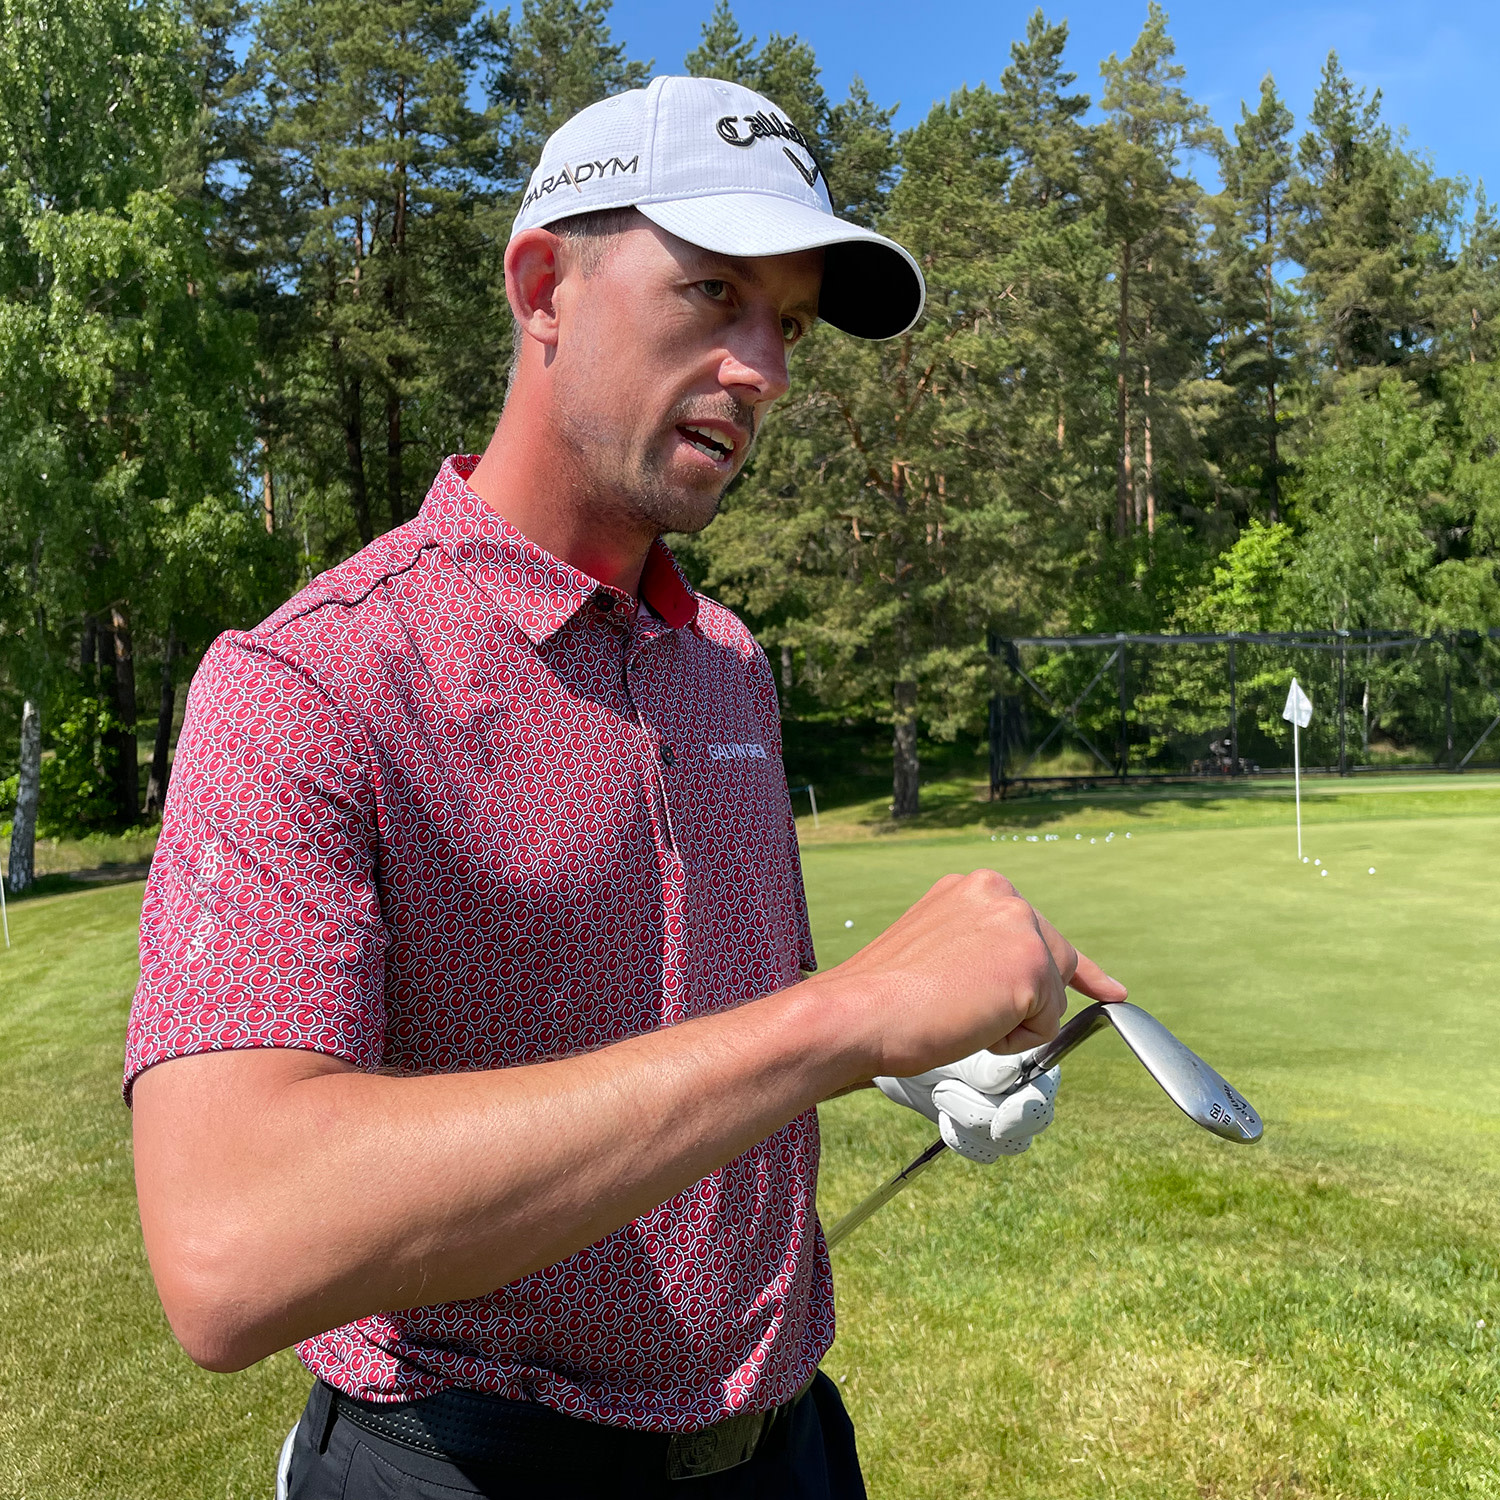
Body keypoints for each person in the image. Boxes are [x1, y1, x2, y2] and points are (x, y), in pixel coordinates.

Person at [126, 75, 1125, 1499]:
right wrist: (842, 1020)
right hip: (469, 1462)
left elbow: (711, 1015)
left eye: (788, 323)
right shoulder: (312, 680)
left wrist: (908, 1057)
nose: (764, 369)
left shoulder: (728, 664)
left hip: (788, 1451)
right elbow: (232, 1246)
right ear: (544, 288)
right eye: (715, 293)